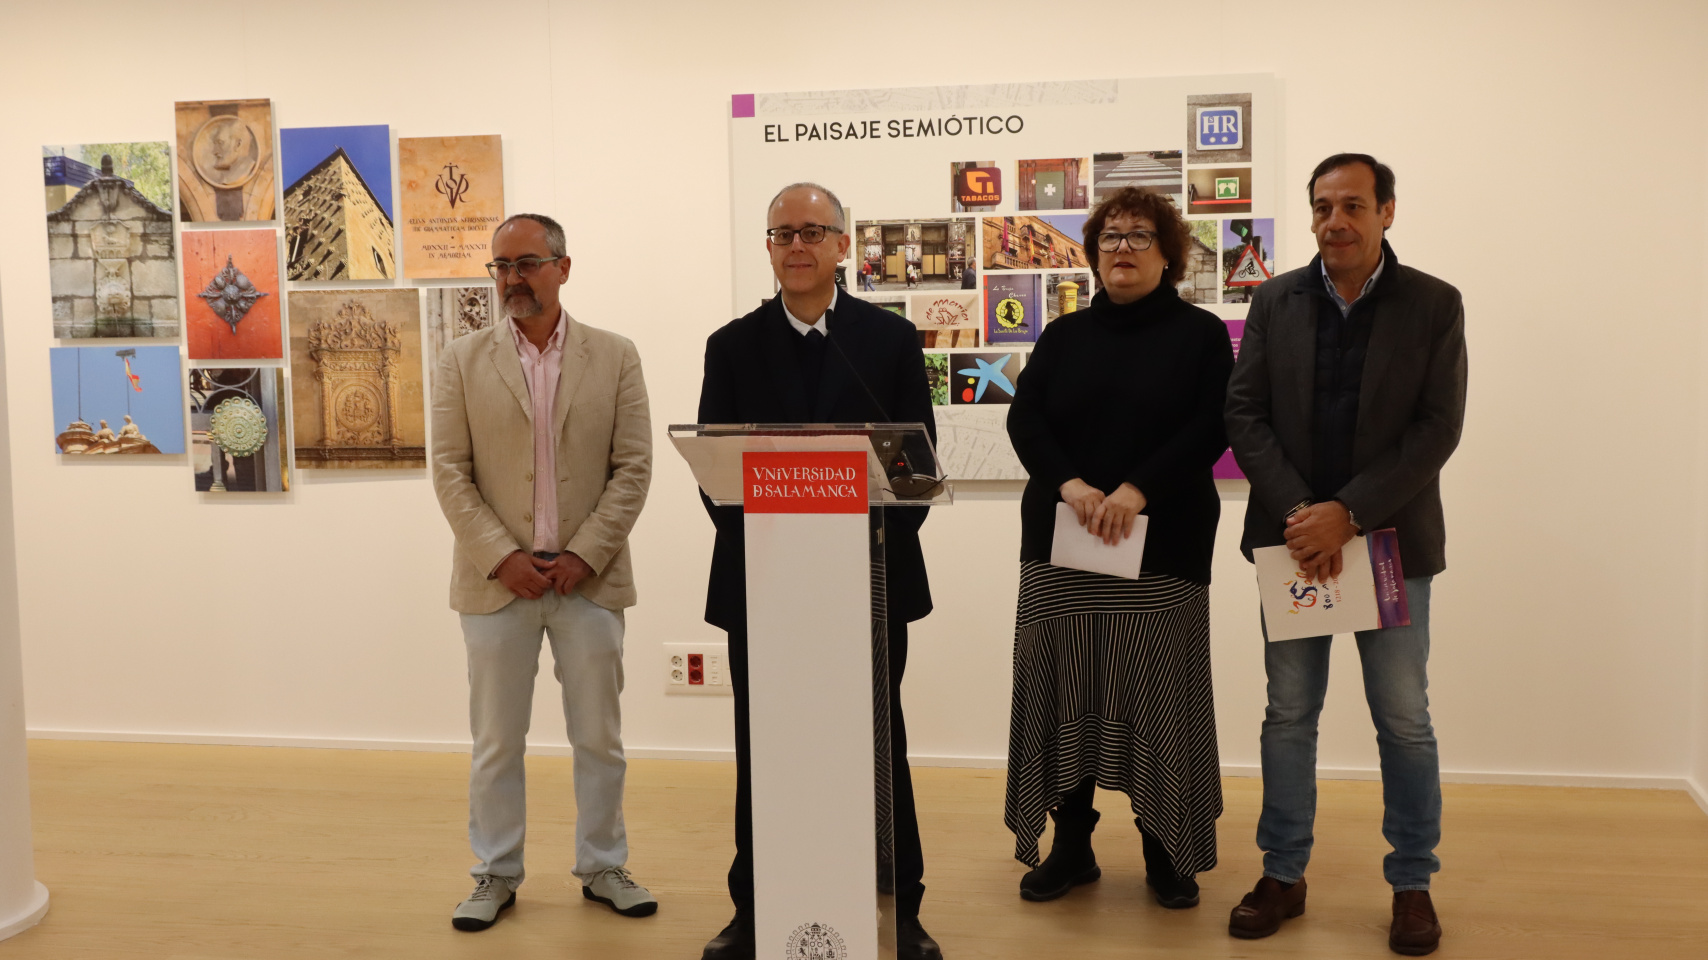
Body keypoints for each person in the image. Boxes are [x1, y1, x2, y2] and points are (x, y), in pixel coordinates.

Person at [1223, 154, 1467, 956]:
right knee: (1289, 715)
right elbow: (1246, 413)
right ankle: (1283, 873)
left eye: (1354, 205)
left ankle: (1411, 884)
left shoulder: (1434, 304)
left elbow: (1437, 428)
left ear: (1388, 211)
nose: (1337, 221)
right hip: (1292, 545)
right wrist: (1306, 516)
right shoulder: (1273, 300)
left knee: (1403, 721)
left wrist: (1350, 514)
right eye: (1324, 206)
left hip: (1389, 542)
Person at [696, 182, 942, 960]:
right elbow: (715, 480)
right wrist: (785, 551)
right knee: (762, 746)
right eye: (781, 234)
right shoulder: (730, 346)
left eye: (812, 232)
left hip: (869, 586)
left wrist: (846, 549)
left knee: (877, 745)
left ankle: (897, 907)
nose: (796, 246)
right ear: (768, 248)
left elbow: (915, 471)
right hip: (764, 590)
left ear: (843, 244)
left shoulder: (890, 341)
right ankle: (755, 906)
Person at [1004, 186, 1233, 910]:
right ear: (1093, 252)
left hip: (1162, 546)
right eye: (1109, 238)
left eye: (1139, 237)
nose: (1122, 249)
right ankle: (1071, 847)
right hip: (1063, 547)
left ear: (1168, 255)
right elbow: (1026, 420)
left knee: (1156, 696)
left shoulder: (1201, 336)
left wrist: (1136, 491)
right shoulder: (1064, 336)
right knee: (1065, 687)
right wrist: (1072, 484)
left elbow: (1211, 426)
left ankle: (1165, 847)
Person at [430, 213, 656, 929]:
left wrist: (586, 551)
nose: (510, 279)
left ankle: (603, 864)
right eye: (499, 266)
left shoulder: (615, 356)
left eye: (525, 263)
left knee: (599, 738)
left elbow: (634, 467)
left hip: (589, 583)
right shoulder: (461, 360)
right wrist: (502, 557)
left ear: (563, 266)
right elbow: (449, 471)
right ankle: (494, 873)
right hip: (497, 588)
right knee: (496, 741)